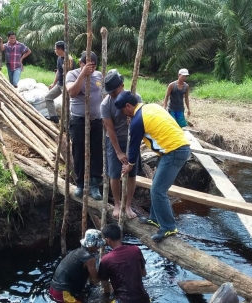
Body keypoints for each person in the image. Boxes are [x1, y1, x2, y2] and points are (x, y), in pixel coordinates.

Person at [115, 91, 191, 242]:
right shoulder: (149, 108)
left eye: (123, 110)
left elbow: (134, 147)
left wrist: (129, 165)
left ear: (128, 106)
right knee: (155, 185)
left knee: (158, 190)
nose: (124, 114)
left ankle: (169, 227)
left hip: (174, 151)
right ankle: (155, 218)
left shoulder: (137, 121)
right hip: (175, 148)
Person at [100, 69, 141, 219]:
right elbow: (109, 128)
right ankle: (117, 204)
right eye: (110, 92)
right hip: (114, 141)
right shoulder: (106, 104)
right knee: (115, 173)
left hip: (131, 140)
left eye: (115, 92)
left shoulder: (135, 97)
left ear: (122, 86)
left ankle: (128, 205)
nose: (112, 95)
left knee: (132, 173)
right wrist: (118, 151)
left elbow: (141, 120)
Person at [65, 51, 103, 200]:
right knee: (78, 152)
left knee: (97, 152)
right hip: (79, 120)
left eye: (93, 65)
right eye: (88, 64)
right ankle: (80, 184)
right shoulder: (72, 74)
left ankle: (94, 185)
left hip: (97, 120)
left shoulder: (99, 75)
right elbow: (72, 92)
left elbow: (104, 95)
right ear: (80, 63)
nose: (91, 68)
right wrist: (83, 75)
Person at [99, 223, 150, 303]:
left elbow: (105, 285)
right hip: (143, 298)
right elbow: (143, 273)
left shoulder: (106, 259)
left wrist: (106, 298)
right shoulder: (136, 250)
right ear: (120, 235)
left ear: (107, 240)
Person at [49, 229, 104, 303]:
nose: (99, 247)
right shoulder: (90, 259)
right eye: (97, 245)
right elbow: (95, 280)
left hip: (53, 288)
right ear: (92, 245)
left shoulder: (77, 252)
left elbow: (91, 279)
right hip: (62, 293)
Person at [45, 41, 73, 124]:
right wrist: (54, 83)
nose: (55, 50)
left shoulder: (69, 60)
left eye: (55, 49)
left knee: (66, 105)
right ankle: (53, 117)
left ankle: (66, 124)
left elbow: (69, 74)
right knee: (48, 97)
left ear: (60, 49)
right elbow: (58, 72)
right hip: (60, 84)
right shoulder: (59, 58)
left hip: (66, 85)